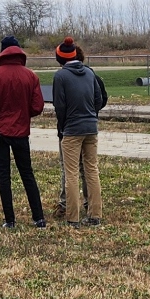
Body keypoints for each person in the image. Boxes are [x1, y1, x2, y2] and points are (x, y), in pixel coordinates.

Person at [0, 39, 48, 229]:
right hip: (21, 131)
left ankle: (10, 220)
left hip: (0, 131)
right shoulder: (31, 76)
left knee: (4, 175)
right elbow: (37, 106)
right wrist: (23, 113)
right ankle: (38, 217)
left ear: (2, 53)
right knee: (27, 173)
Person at [51, 37, 109, 227]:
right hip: (91, 127)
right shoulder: (89, 73)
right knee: (92, 170)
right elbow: (98, 99)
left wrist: (63, 127)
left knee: (71, 173)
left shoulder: (60, 77)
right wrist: (91, 114)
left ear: (60, 58)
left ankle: (73, 217)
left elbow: (60, 106)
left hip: (72, 129)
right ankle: (95, 214)